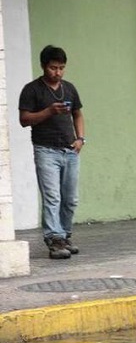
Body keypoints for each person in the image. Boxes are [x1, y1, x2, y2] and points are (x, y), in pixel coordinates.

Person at [19, 45, 85, 260]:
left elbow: (78, 114)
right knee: (52, 197)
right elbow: (24, 120)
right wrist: (48, 111)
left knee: (71, 198)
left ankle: (65, 234)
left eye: (61, 68)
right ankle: (54, 239)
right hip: (46, 150)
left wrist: (80, 139)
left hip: (70, 150)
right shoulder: (32, 89)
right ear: (43, 66)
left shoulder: (70, 88)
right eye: (53, 68)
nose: (57, 72)